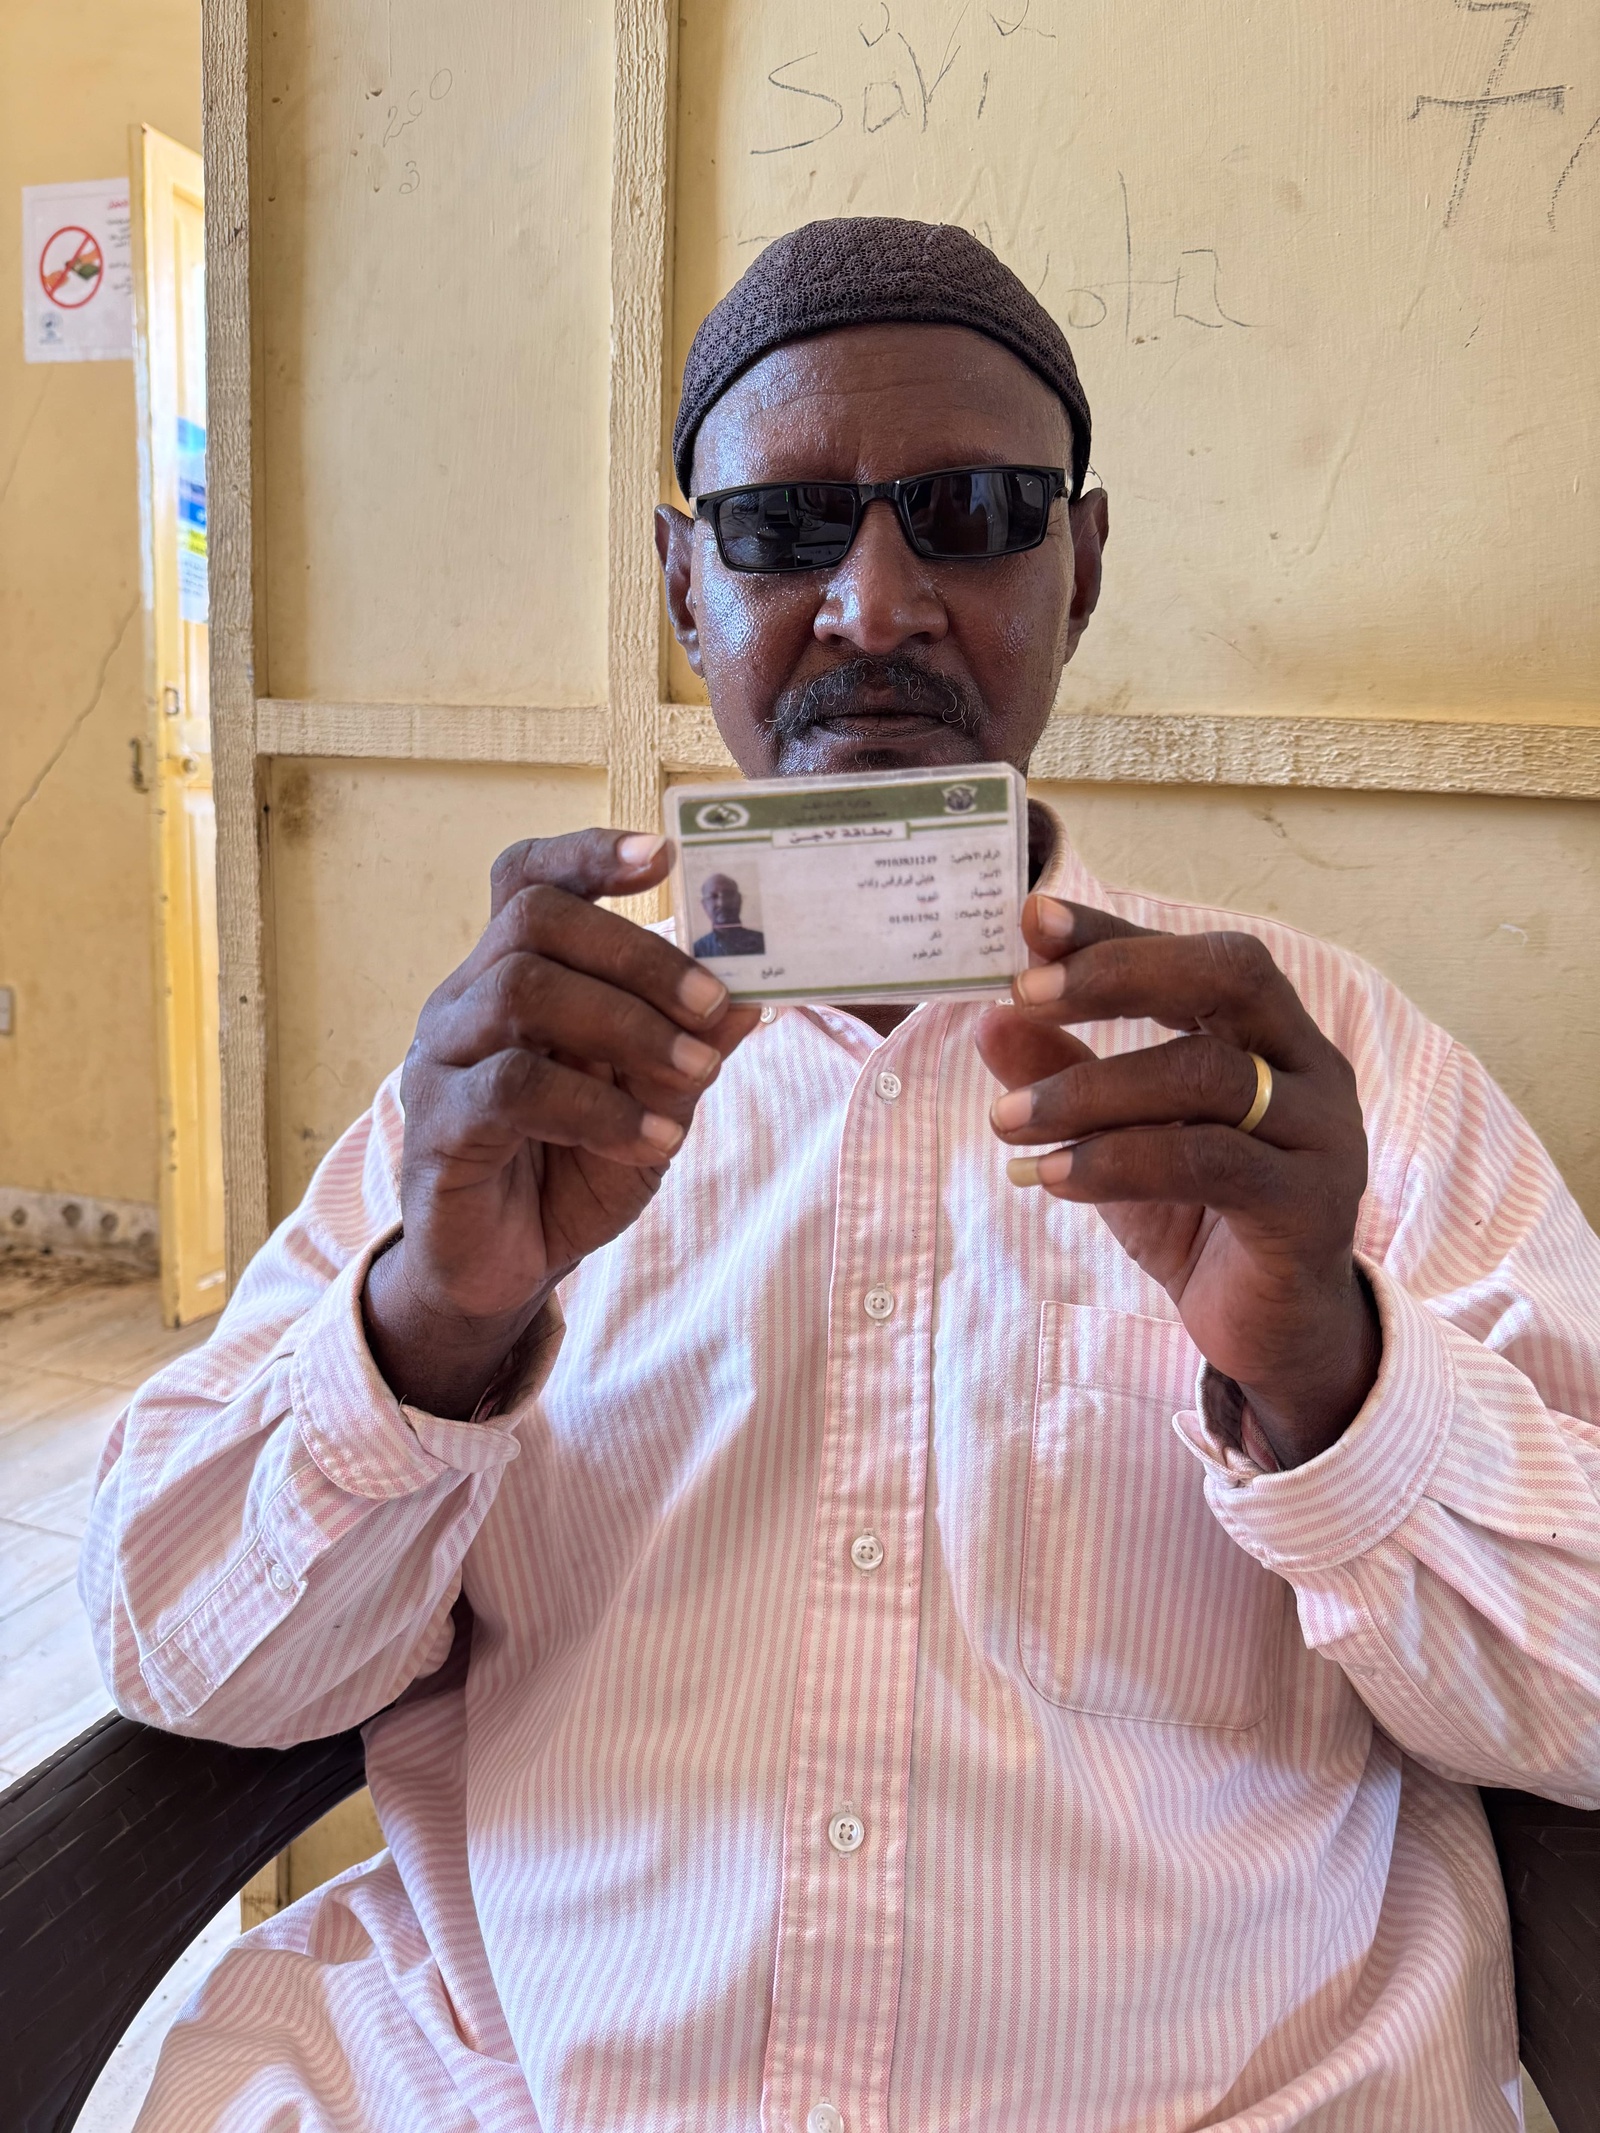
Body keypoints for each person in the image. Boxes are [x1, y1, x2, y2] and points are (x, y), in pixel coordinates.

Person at [84, 218, 1600, 2132]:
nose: (875, 605)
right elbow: (177, 1644)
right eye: (785, 530)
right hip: (511, 2084)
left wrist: (1336, 1382)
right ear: (681, 585)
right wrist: (429, 1331)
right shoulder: (508, 1090)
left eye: (968, 510)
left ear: (1085, 563)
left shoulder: (1329, 1076)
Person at [693, 871, 765, 957]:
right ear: (704, 905)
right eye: (713, 896)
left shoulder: (763, 942)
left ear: (739, 900)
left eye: (728, 895)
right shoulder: (697, 950)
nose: (722, 903)